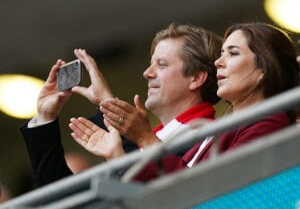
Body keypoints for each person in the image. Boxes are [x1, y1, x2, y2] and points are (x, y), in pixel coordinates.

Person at [69, 22, 299, 181]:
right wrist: (117, 155)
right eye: (221, 54)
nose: (219, 62)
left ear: (263, 69)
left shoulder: (269, 120)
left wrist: (145, 139)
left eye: (233, 53)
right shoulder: (220, 130)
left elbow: (210, 189)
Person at [20, 22, 222, 187]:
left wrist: (108, 105)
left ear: (196, 78)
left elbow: (172, 191)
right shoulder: (151, 138)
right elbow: (63, 204)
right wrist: (45, 119)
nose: (147, 73)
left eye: (162, 65)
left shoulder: (212, 139)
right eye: (151, 64)